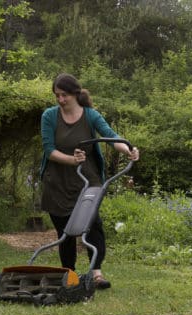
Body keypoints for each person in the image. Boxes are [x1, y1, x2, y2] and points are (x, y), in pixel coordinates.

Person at [40, 73, 139, 289]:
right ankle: (69, 274)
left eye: (64, 95)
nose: (60, 100)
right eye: (57, 95)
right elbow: (49, 150)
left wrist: (128, 149)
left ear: (75, 93)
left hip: (87, 180)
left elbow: (111, 137)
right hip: (57, 181)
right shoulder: (49, 116)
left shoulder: (91, 115)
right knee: (64, 231)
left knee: (93, 225)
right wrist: (71, 159)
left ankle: (96, 273)